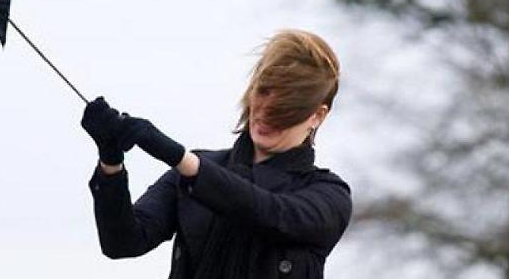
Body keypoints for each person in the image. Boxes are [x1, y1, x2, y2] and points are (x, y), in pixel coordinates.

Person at [80, 29, 352, 279]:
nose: (265, 114)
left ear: (316, 116)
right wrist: (111, 162)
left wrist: (181, 159)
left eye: (284, 110)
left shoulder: (328, 195)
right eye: (263, 93)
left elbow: (269, 212)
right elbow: (123, 242)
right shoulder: (197, 168)